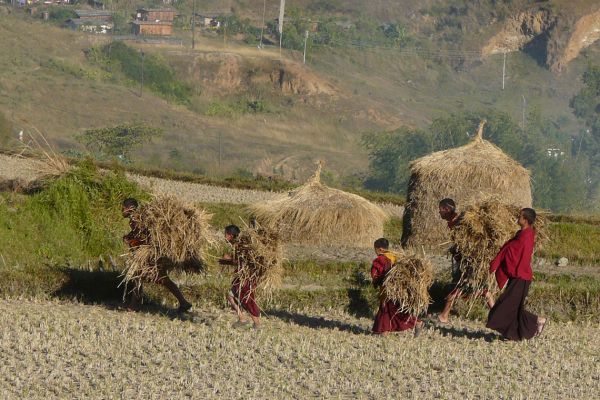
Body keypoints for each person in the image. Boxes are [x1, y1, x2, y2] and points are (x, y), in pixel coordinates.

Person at [121, 198, 193, 313]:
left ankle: (134, 305)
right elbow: (138, 234)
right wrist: (129, 237)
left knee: (141, 277)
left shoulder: (136, 219)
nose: (122, 210)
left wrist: (131, 241)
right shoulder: (136, 219)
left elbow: (145, 237)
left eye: (123, 208)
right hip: (152, 254)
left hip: (150, 255)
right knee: (154, 278)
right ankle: (183, 302)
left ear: (130, 208)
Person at [486, 208, 547, 341]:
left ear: (525, 220)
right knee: (513, 308)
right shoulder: (521, 234)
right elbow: (510, 249)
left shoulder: (527, 236)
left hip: (521, 277)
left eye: (519, 217)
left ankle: (537, 321)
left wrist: (520, 272)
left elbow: (523, 257)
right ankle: (515, 334)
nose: (517, 218)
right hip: (517, 276)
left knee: (506, 306)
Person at [437, 198, 495, 323]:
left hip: (470, 261)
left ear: (447, 209)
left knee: (457, 287)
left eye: (441, 209)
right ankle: (496, 315)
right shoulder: (452, 222)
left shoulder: (459, 222)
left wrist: (461, 252)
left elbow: (468, 242)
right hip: (467, 260)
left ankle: (444, 315)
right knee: (483, 290)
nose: (439, 212)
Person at [371, 238, 422, 335]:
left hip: (387, 289)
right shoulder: (394, 257)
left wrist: (375, 281)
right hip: (397, 289)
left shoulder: (380, 260)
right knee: (392, 309)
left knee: (390, 310)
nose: (375, 251)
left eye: (375, 249)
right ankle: (384, 331)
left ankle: (416, 322)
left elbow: (376, 274)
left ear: (380, 249)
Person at [219, 224, 261, 329]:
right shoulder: (237, 246)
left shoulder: (240, 246)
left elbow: (240, 262)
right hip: (241, 277)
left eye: (226, 234)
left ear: (230, 235)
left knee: (245, 299)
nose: (224, 237)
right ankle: (242, 319)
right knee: (230, 296)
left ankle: (257, 323)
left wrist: (227, 260)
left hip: (245, 278)